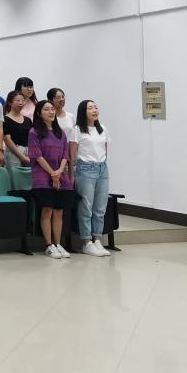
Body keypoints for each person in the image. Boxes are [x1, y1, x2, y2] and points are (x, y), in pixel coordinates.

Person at [28, 99, 73, 259]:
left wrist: (59, 171)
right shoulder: (34, 132)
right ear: (39, 113)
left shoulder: (61, 133)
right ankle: (49, 245)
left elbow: (65, 155)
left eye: (52, 109)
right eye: (46, 109)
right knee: (47, 210)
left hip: (61, 175)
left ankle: (58, 243)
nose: (51, 112)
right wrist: (52, 173)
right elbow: (37, 155)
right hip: (42, 176)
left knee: (59, 211)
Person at [73, 100, 112, 257]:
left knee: (100, 207)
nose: (95, 110)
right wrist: (71, 175)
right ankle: (86, 241)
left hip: (102, 168)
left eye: (96, 107)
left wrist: (102, 165)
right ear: (83, 112)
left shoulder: (103, 128)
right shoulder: (77, 130)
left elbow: (105, 150)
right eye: (90, 108)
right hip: (85, 169)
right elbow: (72, 155)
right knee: (86, 206)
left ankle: (97, 239)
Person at [47, 87, 76, 182]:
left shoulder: (71, 116)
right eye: (57, 97)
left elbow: (74, 136)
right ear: (50, 100)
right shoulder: (48, 117)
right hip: (55, 153)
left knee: (70, 181)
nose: (61, 99)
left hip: (70, 153)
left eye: (63, 97)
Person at [2, 90, 33, 172]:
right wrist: (22, 156)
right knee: (14, 176)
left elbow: (32, 138)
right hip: (13, 152)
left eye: (23, 100)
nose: (21, 102)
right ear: (10, 103)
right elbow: (7, 140)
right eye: (18, 100)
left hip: (29, 151)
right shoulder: (5, 119)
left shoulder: (28, 120)